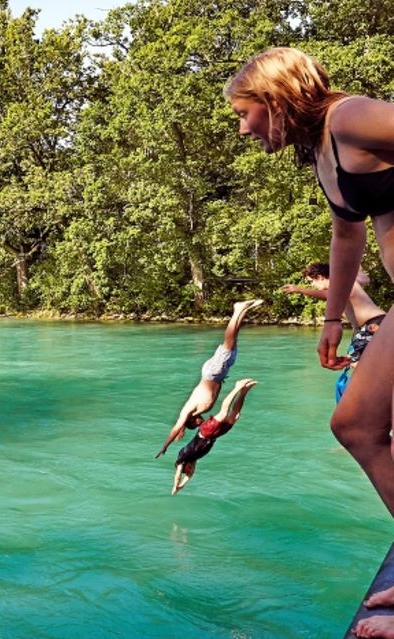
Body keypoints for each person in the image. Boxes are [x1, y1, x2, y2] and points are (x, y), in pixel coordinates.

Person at [226, 46, 394, 637]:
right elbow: (348, 237)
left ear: (276, 101)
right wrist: (330, 319)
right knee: (355, 423)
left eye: (246, 113)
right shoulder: (325, 150)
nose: (243, 127)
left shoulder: (350, 118)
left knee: (359, 424)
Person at [155, 299, 264, 459]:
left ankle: (237, 310)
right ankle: (244, 310)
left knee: (229, 342)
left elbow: (177, 427)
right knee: (232, 342)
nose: (202, 423)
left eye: (197, 423)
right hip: (219, 374)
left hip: (212, 373)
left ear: (192, 421)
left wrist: (165, 446)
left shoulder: (188, 410)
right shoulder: (197, 410)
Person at [281, 263, 386, 400]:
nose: (312, 285)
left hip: (373, 324)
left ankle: (378, 393)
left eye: (311, 282)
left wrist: (299, 289)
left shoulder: (344, 284)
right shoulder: (347, 284)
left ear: (319, 277)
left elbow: (328, 295)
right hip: (371, 326)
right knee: (357, 361)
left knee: (356, 363)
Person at [172, 379, 258, 494]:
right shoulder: (194, 459)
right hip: (215, 435)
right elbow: (189, 476)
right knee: (235, 415)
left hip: (206, 432)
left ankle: (237, 387)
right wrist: (181, 487)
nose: (191, 470)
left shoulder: (182, 458)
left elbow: (178, 475)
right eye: (191, 470)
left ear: (184, 467)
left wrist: (175, 486)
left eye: (189, 469)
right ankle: (244, 391)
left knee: (223, 413)